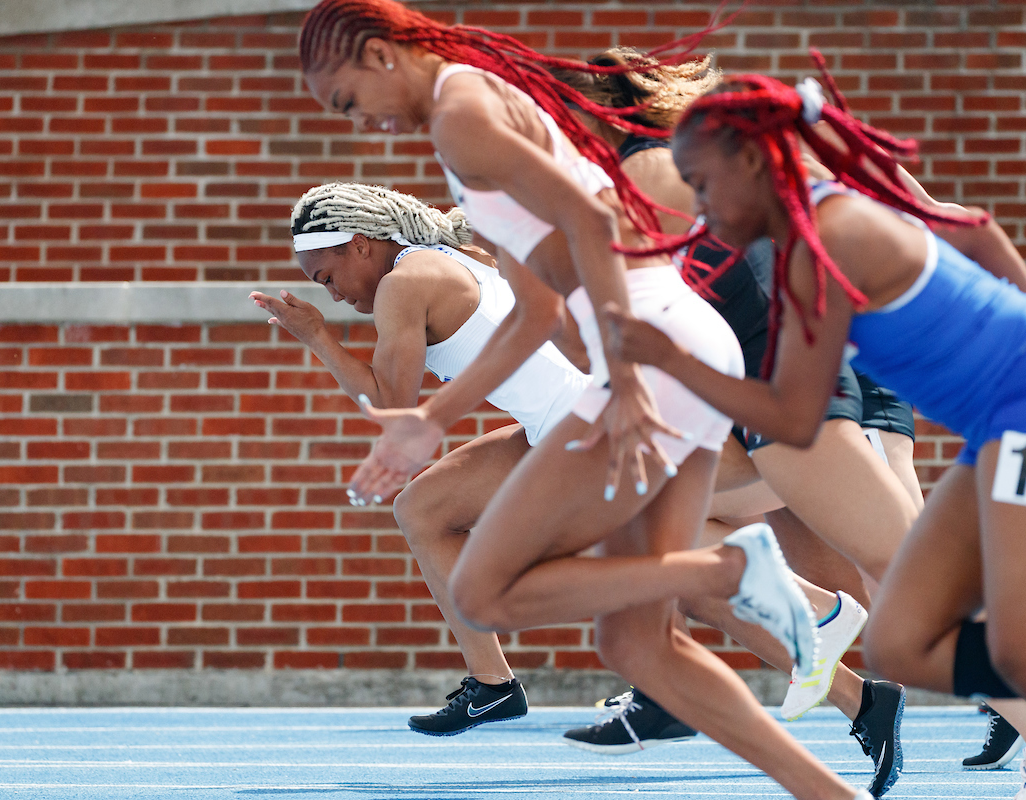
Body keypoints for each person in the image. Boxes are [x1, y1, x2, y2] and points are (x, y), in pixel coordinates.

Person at [297, 3, 874, 798]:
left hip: (647, 348)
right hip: (665, 339)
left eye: (348, 101)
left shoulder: (463, 115)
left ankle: (730, 566)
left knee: (483, 590)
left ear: (379, 54)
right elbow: (537, 311)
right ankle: (830, 789)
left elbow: (592, 217)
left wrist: (627, 378)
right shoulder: (467, 123)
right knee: (641, 646)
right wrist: (432, 417)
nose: (364, 124)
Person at [600, 68, 1026, 795]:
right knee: (903, 640)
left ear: (752, 164)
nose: (695, 207)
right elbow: (974, 225)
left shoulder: (827, 243)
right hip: (1010, 415)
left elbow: (791, 415)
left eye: (700, 184)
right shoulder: (808, 237)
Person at [551, 50, 911, 796]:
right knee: (661, 528)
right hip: (757, 399)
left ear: (597, 113)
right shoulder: (648, 173)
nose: (552, 135)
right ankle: (824, 622)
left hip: (786, 392)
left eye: (561, 118)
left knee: (918, 591)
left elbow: (640, 308)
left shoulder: (650, 170)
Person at [250, 181, 592, 736]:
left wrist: (317, 337)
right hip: (559, 425)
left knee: (698, 571)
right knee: (423, 509)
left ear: (359, 245)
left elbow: (392, 406)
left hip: (589, 430)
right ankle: (492, 686)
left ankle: (760, 655)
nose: (333, 295)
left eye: (328, 278)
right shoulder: (445, 256)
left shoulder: (403, 284)